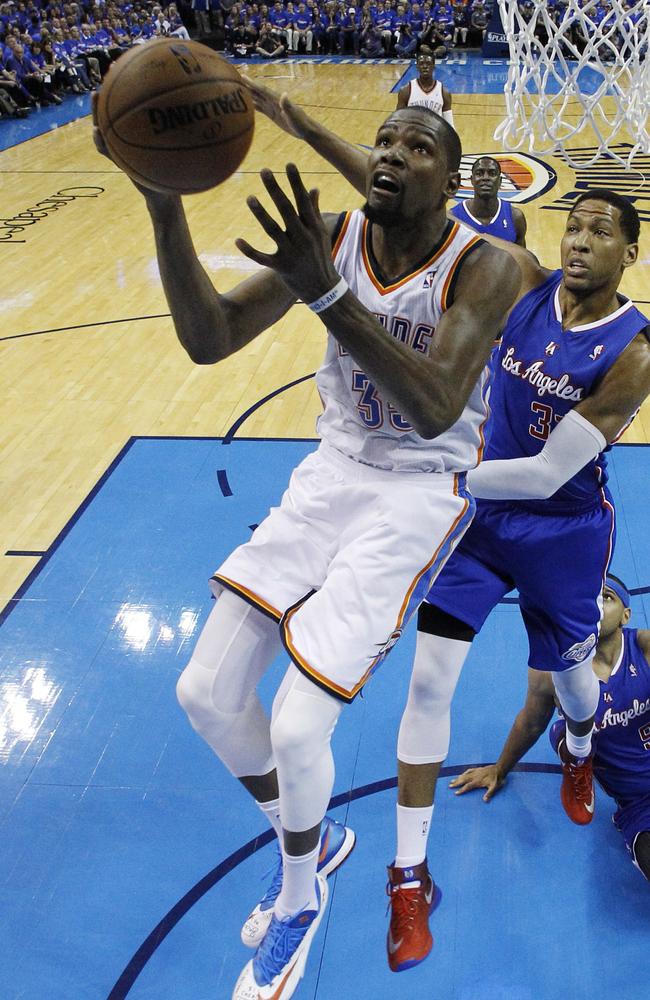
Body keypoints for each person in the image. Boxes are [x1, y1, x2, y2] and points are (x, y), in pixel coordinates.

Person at [93, 89, 518, 999]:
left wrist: (325, 294)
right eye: (384, 139)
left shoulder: (491, 264)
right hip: (331, 473)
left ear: (449, 182)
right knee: (204, 691)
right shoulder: (327, 237)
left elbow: (438, 405)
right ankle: (315, 839)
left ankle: (298, 896)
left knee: (295, 722)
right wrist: (161, 202)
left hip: (416, 492)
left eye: (417, 145)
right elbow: (209, 340)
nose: (393, 152)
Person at [241, 81, 650, 976]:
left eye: (600, 230)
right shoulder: (526, 283)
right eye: (572, 225)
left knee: (573, 679)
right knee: (430, 683)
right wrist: (300, 121)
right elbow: (393, 191)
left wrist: (432, 474)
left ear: (631, 250)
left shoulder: (633, 351)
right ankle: (407, 874)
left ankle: (579, 749)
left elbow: (546, 472)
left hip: (562, 528)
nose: (579, 239)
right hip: (474, 520)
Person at [451, 574, 650, 881]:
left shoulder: (644, 647)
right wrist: (499, 770)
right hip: (639, 805)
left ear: (626, 615)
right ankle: (578, 764)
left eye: (607, 598)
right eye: (590, 598)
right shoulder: (552, 669)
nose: (597, 605)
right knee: (562, 731)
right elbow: (531, 721)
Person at [450, 156, 527, 246]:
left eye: (492, 173)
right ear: (472, 180)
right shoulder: (454, 218)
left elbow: (522, 257)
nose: (485, 178)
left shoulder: (515, 217)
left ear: (500, 181)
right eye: (479, 173)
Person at [395, 46, 453, 127]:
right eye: (421, 63)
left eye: (428, 64)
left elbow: (450, 125)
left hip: (435, 137)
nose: (425, 66)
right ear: (417, 67)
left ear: (434, 66)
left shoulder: (444, 92)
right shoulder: (406, 91)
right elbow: (398, 122)